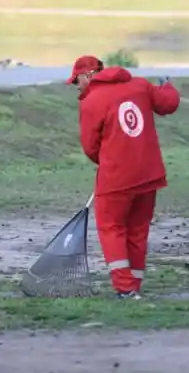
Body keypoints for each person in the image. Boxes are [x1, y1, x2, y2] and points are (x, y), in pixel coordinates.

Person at [69, 55, 180, 299]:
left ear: (88, 75)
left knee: (111, 228)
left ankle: (125, 288)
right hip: (149, 174)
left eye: (77, 81)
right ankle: (134, 285)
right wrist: (168, 85)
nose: (77, 87)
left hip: (116, 178)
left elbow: (90, 147)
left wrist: (108, 160)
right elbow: (168, 104)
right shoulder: (140, 86)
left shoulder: (91, 102)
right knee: (137, 229)